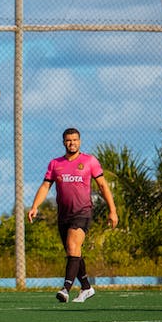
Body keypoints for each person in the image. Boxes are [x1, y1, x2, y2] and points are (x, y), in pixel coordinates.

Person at [27, 127, 118, 303]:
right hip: (63, 214)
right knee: (73, 251)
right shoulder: (55, 164)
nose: (72, 143)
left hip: (82, 212)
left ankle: (65, 289)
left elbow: (103, 186)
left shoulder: (90, 161)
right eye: (69, 140)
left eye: (75, 140)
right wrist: (35, 206)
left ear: (80, 141)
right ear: (64, 142)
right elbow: (46, 186)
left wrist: (112, 210)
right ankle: (86, 287)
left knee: (72, 246)